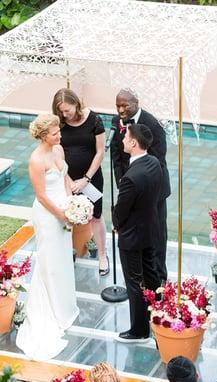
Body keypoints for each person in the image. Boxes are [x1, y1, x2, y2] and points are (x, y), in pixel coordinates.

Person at [16, 114, 79, 360]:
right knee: (50, 263)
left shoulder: (58, 150)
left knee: (63, 260)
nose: (60, 135)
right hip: (47, 214)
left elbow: (63, 177)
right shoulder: (36, 160)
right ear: (44, 136)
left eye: (59, 132)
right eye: (55, 133)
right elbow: (41, 196)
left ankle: (65, 306)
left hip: (64, 208)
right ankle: (52, 309)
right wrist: (61, 214)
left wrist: (71, 203)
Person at [110, 88, 170, 283]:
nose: (120, 110)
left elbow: (159, 160)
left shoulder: (152, 124)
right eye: (117, 105)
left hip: (153, 190)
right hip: (130, 187)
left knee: (157, 232)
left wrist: (139, 184)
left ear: (136, 103)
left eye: (124, 105)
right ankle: (140, 274)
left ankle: (160, 276)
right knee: (135, 231)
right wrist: (122, 182)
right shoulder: (115, 123)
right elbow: (116, 157)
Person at [112, 124, 162, 343]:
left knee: (134, 282)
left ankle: (139, 330)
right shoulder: (154, 163)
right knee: (151, 275)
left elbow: (122, 208)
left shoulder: (131, 177)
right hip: (150, 229)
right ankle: (156, 312)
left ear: (133, 143)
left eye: (126, 138)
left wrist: (116, 224)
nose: (122, 140)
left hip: (132, 235)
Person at [52, 88, 108, 275]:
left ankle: (102, 256)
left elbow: (100, 151)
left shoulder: (94, 120)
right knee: (67, 216)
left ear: (76, 103)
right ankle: (68, 253)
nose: (64, 114)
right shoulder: (58, 123)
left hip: (91, 179)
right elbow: (55, 154)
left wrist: (85, 179)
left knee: (96, 216)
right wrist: (68, 181)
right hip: (66, 179)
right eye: (61, 111)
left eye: (67, 110)